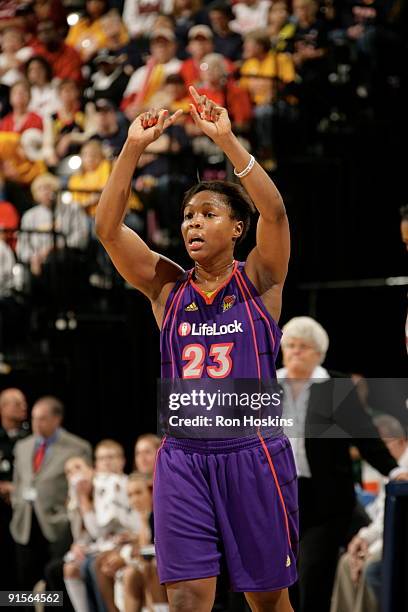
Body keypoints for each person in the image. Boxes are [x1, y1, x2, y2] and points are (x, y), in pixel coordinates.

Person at [95, 86, 298, 611]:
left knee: (268, 600)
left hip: (251, 450)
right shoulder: (167, 286)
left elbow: (274, 214)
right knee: (185, 597)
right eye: (187, 216)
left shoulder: (260, 279)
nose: (192, 223)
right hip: (183, 456)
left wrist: (229, 142)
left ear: (236, 227)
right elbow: (108, 229)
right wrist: (131, 150)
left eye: (207, 213)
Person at [277, 316, 403, 612]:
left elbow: (365, 434)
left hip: (325, 499)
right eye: (290, 346)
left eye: (303, 347)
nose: (295, 352)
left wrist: (393, 470)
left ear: (319, 354)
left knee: (312, 571)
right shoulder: (269, 385)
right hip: (278, 495)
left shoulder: (335, 386)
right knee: (282, 574)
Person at [10, 395, 92, 591]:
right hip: (25, 525)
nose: (36, 424)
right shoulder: (22, 446)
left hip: (57, 526)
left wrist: (66, 516)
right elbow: (18, 481)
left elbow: (83, 489)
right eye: (34, 418)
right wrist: (17, 503)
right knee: (25, 585)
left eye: (43, 418)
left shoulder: (77, 447)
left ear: (57, 419)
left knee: (54, 584)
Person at [330, 414, 408, 612]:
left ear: (401, 440)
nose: (381, 453)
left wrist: (369, 550)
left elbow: (398, 523)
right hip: (385, 536)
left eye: (383, 444)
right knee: (348, 560)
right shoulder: (392, 470)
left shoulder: (402, 470)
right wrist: (362, 539)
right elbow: (382, 517)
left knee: (371, 566)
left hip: (398, 540)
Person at [0, 388, 29, 589]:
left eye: (24, 402)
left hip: (24, 509)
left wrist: (16, 489)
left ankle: (26, 605)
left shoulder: (31, 438)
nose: (23, 407)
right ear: (2, 408)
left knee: (24, 570)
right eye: (17, 403)